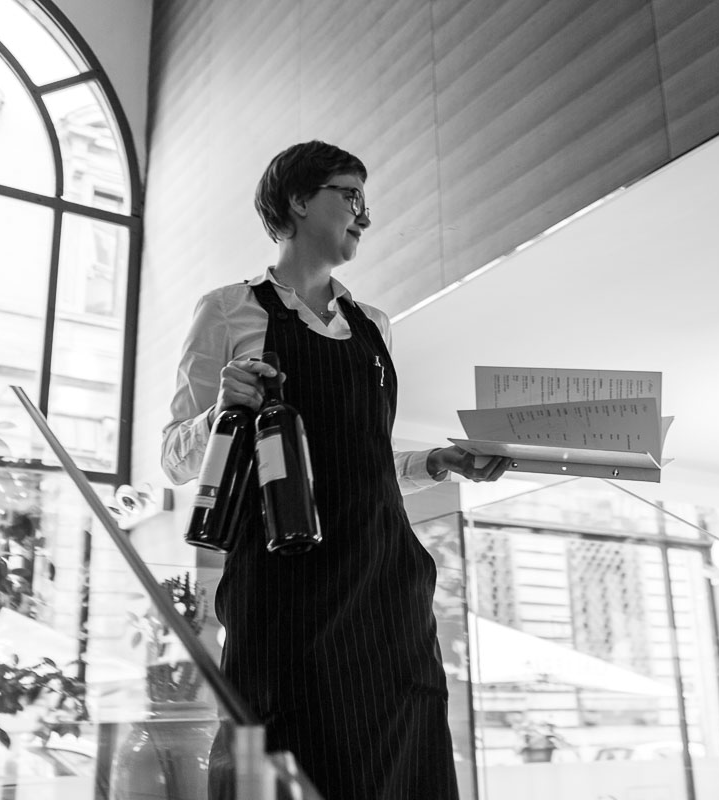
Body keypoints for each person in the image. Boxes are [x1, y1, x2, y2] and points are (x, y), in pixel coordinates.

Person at [161, 140, 507, 799]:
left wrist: (433, 463)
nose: (364, 215)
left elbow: (358, 461)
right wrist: (221, 411)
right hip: (284, 585)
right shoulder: (228, 309)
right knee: (284, 754)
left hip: (386, 582)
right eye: (349, 195)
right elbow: (174, 458)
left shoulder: (374, 325)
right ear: (297, 200)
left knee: (404, 762)